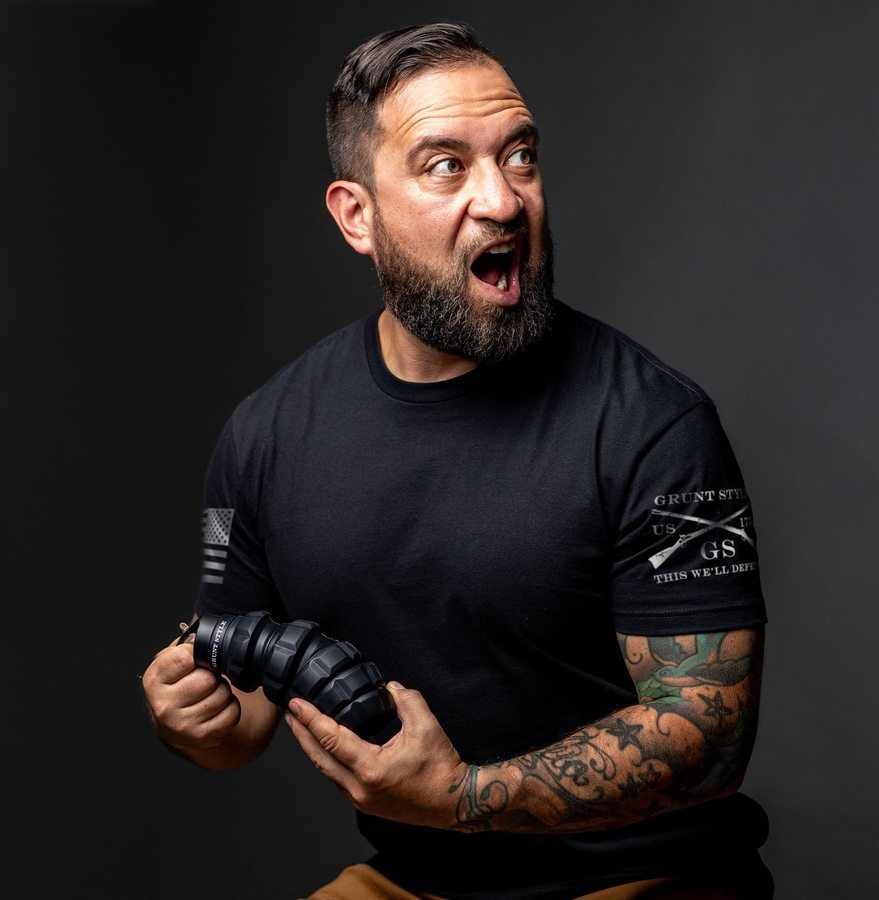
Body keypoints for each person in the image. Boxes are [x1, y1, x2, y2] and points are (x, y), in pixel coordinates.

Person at [141, 23, 772, 900]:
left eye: (520, 157)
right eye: (447, 166)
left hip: (642, 878)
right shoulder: (266, 435)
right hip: (417, 882)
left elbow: (711, 735)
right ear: (357, 216)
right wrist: (195, 720)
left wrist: (463, 797)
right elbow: (239, 718)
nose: (504, 200)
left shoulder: (654, 424)